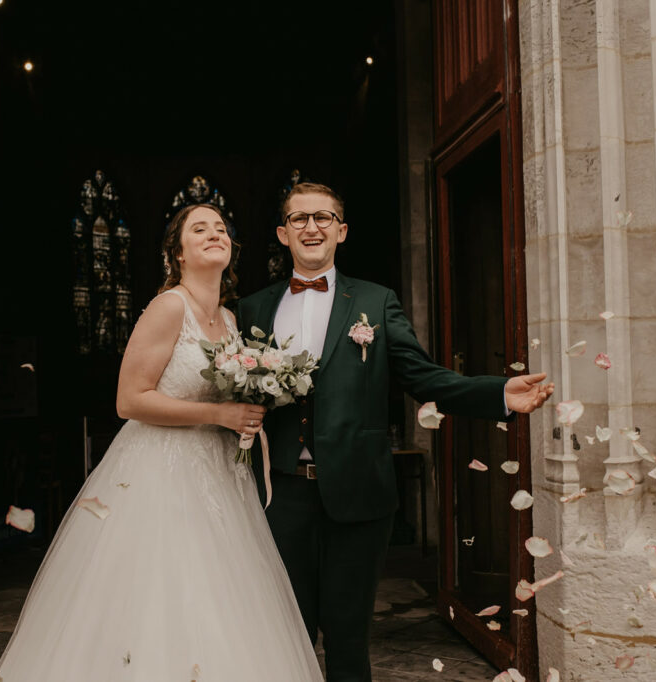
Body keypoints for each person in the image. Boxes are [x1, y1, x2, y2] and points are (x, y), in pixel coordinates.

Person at [236, 182, 555, 682]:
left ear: (342, 230)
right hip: (279, 495)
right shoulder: (251, 309)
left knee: (347, 638)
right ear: (282, 233)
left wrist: (497, 393)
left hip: (359, 494)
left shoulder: (376, 301)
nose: (311, 227)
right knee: (282, 634)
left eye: (323, 218)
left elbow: (422, 377)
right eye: (299, 218)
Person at [0, 203, 322, 681]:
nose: (214, 234)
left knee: (220, 593)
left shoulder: (230, 321)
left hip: (220, 475)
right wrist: (220, 414)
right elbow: (129, 400)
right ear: (178, 253)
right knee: (161, 591)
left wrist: (247, 413)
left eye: (221, 229)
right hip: (160, 473)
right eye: (199, 229)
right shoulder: (169, 307)